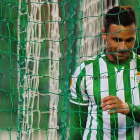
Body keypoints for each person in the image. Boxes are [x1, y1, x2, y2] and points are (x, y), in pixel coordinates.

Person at [69, 6, 140, 140]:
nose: (122, 47)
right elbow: (77, 125)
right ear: (104, 35)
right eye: (117, 39)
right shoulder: (85, 71)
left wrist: (129, 109)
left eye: (129, 40)